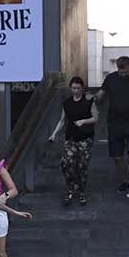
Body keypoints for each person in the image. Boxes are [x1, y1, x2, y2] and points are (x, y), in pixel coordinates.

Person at [96, 56, 129, 199]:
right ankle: (125, 179)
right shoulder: (111, 79)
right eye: (120, 72)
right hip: (115, 122)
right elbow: (101, 93)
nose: (123, 75)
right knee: (117, 156)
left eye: (125, 72)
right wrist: (96, 97)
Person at [49, 76, 98, 206]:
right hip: (70, 137)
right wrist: (54, 134)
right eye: (74, 88)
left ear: (82, 88)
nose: (76, 91)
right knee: (67, 163)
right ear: (71, 88)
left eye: (78, 88)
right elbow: (62, 120)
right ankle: (71, 187)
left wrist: (84, 121)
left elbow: (96, 117)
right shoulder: (67, 103)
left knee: (82, 165)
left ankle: (81, 191)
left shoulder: (88, 101)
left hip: (85, 138)